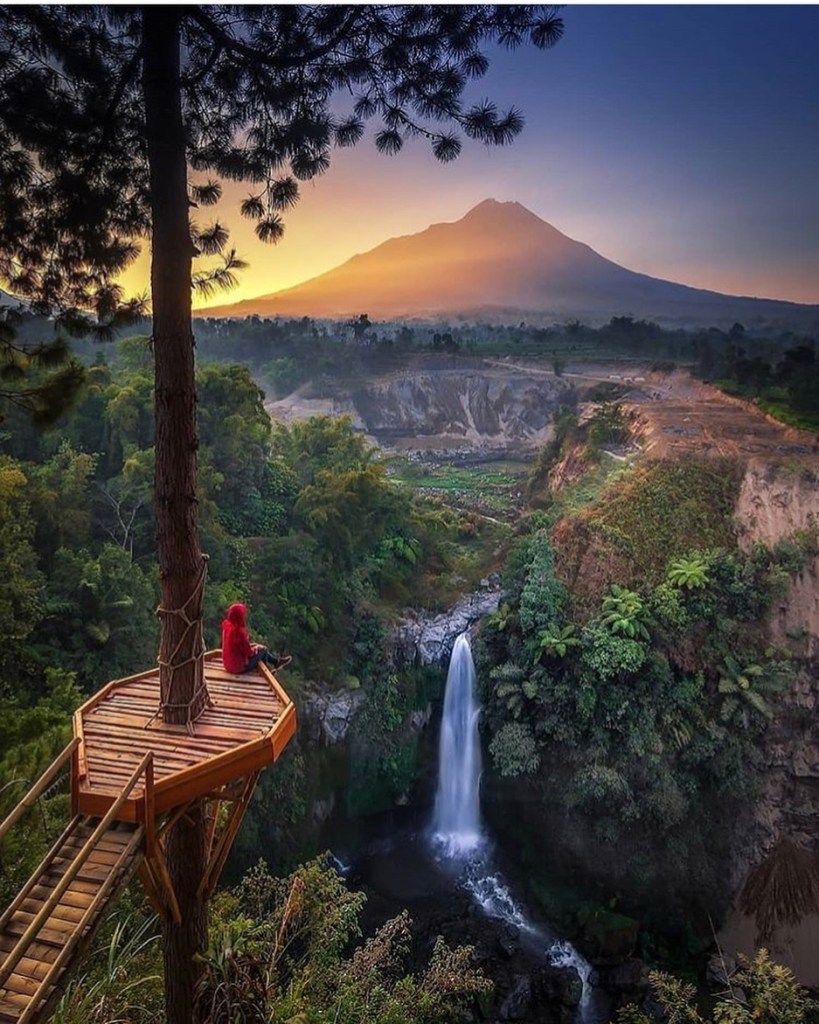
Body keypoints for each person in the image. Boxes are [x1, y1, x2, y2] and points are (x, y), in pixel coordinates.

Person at [221, 602, 291, 674]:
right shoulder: (239, 632)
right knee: (263, 650)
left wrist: (254, 646)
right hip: (237, 667)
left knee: (259, 647)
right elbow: (249, 653)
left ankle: (276, 662)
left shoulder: (227, 626)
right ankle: (267, 672)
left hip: (227, 663)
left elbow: (237, 646)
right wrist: (256, 648)